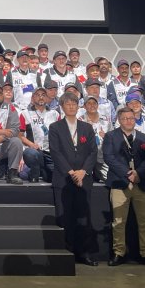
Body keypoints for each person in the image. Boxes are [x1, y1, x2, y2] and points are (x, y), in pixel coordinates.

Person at [102, 108, 145, 268]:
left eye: (131, 118)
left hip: (141, 183)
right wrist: (128, 173)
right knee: (119, 221)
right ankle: (118, 252)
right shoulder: (111, 136)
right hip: (120, 183)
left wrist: (138, 173)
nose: (128, 121)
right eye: (125, 118)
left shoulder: (143, 137)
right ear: (119, 120)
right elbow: (109, 158)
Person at [48, 91, 98, 266]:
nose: (71, 106)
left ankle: (84, 253)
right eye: (67, 104)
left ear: (78, 106)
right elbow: (55, 152)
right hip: (64, 179)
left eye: (74, 104)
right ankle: (66, 253)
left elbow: (93, 152)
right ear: (62, 107)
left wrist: (83, 171)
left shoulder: (87, 127)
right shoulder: (55, 127)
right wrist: (71, 172)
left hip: (84, 179)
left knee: (84, 218)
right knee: (65, 218)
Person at [19, 87, 58, 182]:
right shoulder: (25, 114)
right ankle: (34, 172)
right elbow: (19, 136)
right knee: (29, 155)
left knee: (52, 178)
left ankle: (43, 171)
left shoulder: (55, 114)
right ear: (32, 98)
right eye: (38, 95)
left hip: (49, 152)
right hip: (34, 151)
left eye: (43, 95)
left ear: (47, 98)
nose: (41, 97)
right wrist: (31, 144)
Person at [78, 94, 111, 181]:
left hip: (102, 156)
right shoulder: (80, 121)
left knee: (109, 178)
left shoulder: (106, 119)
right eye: (89, 103)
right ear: (84, 106)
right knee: (83, 180)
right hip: (86, 157)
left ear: (97, 105)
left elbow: (113, 138)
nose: (92, 105)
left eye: (94, 103)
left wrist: (106, 137)